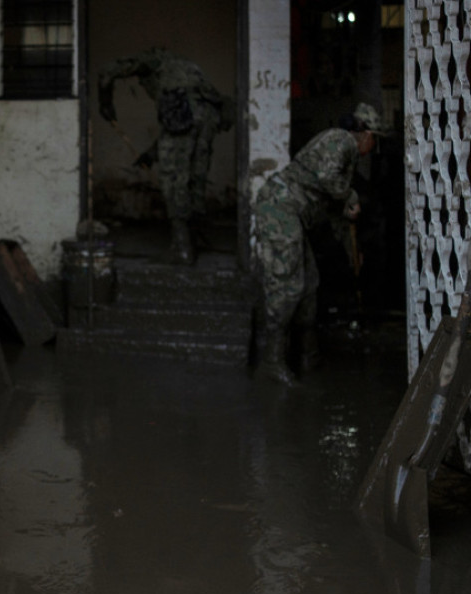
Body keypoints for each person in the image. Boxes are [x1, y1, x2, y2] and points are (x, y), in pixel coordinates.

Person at [252, 102, 385, 385]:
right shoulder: (341, 140)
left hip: (292, 215)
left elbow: (335, 213)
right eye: (375, 139)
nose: (374, 146)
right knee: (287, 284)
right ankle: (272, 361)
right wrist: (351, 197)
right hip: (279, 209)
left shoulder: (343, 153)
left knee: (309, 283)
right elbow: (329, 181)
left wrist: (353, 251)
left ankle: (307, 355)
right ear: (365, 133)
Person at [97, 47, 234, 265]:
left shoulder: (150, 60)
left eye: (143, 82)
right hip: (210, 113)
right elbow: (180, 131)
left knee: (174, 179)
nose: (144, 87)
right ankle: (194, 238)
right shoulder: (184, 70)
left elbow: (107, 72)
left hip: (185, 110)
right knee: (195, 177)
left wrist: (105, 102)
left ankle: (182, 249)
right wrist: (151, 155)